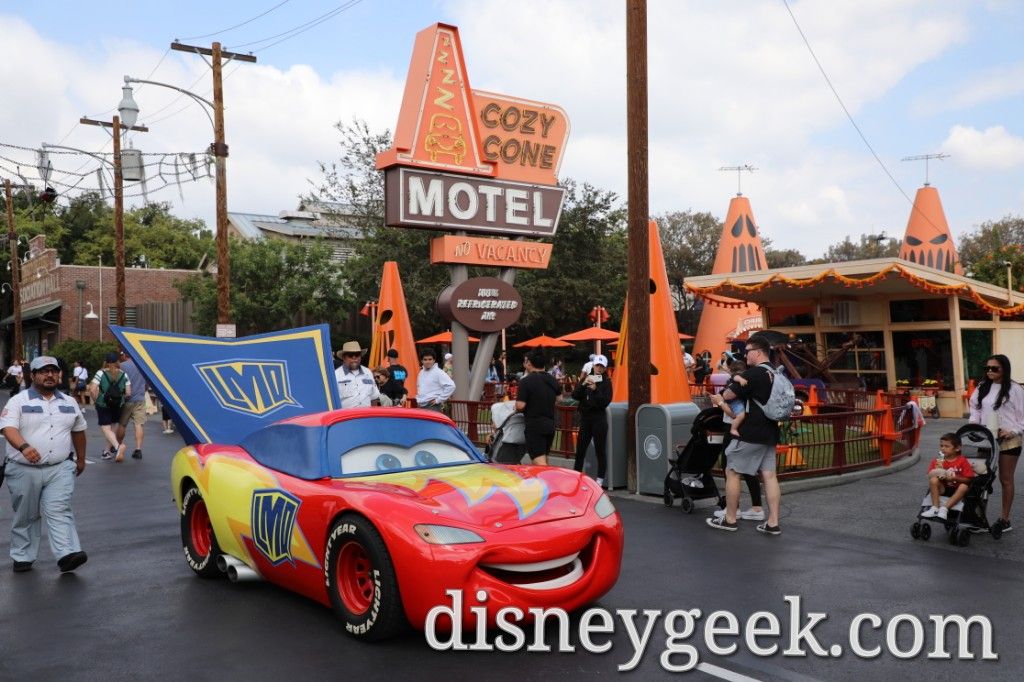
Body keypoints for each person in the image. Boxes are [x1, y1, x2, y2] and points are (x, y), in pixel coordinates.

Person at [1, 356, 88, 573]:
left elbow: (78, 431)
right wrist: (24, 447)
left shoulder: (69, 402)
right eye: (43, 371)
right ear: (33, 376)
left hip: (59, 468)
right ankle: (22, 556)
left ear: (59, 374)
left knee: (60, 509)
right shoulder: (19, 401)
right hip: (23, 469)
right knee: (27, 514)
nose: (49, 375)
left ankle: (67, 553)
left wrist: (81, 458)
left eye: (53, 371)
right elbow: (8, 428)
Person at [706, 334, 782, 535]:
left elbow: (728, 394)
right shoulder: (776, 373)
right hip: (770, 430)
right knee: (769, 475)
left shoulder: (754, 374)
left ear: (757, 352)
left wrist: (722, 399)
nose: (745, 355)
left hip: (750, 431)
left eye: (748, 351)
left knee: (732, 471)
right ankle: (773, 522)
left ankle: (730, 519)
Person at [968, 354, 1024, 533]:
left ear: (1004, 369)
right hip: (986, 438)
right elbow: (975, 408)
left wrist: (1013, 431)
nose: (990, 371)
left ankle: (1004, 519)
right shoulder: (982, 387)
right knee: (980, 478)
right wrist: (973, 424)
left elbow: (1022, 416)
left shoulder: (1015, 389)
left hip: (1009, 439)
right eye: (987, 368)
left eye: (995, 368)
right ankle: (978, 517)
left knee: (1005, 479)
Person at [572, 354, 613, 486]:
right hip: (585, 418)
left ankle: (600, 480)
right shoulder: (588, 378)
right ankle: (576, 477)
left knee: (600, 450)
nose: (599, 368)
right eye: (597, 365)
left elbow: (605, 402)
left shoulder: (606, 382)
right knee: (580, 450)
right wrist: (583, 384)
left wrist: (595, 390)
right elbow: (575, 395)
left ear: (605, 368)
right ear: (593, 365)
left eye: (602, 366)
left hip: (599, 418)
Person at [515, 350, 560, 466]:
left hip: (535, 426)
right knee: (544, 457)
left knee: (539, 462)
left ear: (530, 363)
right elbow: (560, 399)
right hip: (550, 424)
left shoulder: (526, 381)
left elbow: (520, 406)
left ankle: (547, 484)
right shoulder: (553, 379)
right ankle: (547, 481)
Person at [920, 432, 975, 521]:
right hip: (943, 488)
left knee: (964, 486)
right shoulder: (939, 460)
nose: (943, 449)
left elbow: (969, 480)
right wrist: (938, 473)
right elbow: (930, 474)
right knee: (933, 480)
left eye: (946, 446)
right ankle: (935, 507)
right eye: (941, 446)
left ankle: (944, 509)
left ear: (957, 448)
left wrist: (954, 478)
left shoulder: (962, 461)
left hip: (957, 489)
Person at [89, 352, 131, 462]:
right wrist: (120, 398)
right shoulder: (123, 374)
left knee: (106, 428)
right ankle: (106, 451)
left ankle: (118, 447)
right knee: (113, 428)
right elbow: (128, 393)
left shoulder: (100, 373)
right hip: (118, 404)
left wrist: (95, 400)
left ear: (106, 362)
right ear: (118, 361)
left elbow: (92, 389)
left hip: (103, 404)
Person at [115, 350, 148, 460]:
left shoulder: (122, 366)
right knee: (139, 424)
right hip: (140, 398)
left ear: (125, 355)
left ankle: (118, 446)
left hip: (127, 399)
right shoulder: (142, 365)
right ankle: (138, 449)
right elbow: (146, 384)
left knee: (122, 424)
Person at [335, 341, 380, 409]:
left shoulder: (368, 372)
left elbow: (374, 397)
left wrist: (374, 417)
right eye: (350, 355)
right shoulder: (336, 375)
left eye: (357, 354)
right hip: (346, 418)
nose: (354, 357)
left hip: (367, 417)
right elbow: (332, 401)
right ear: (344, 358)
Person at [488, 399, 527, 464]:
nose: (491, 425)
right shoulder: (503, 433)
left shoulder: (503, 434)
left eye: (492, 422)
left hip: (501, 459)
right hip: (518, 444)